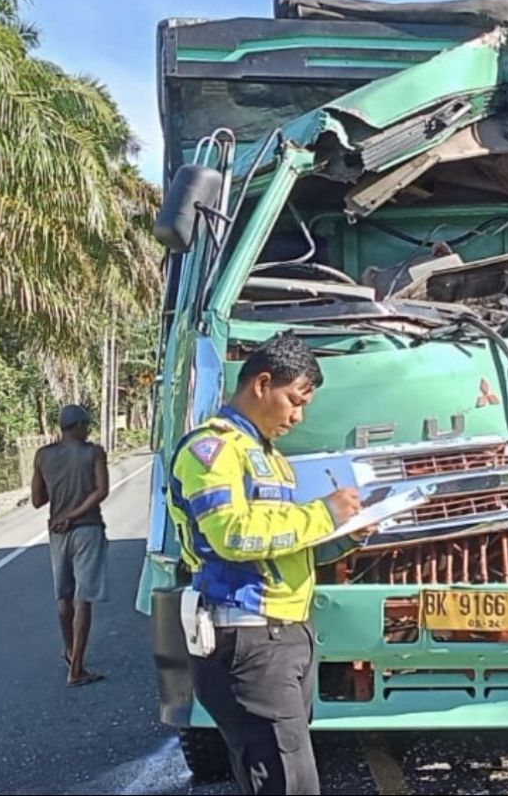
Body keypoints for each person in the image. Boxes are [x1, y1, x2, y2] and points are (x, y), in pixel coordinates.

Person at [165, 332, 371, 795]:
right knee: (288, 783)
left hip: (286, 634)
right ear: (261, 383)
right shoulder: (211, 451)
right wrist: (322, 513)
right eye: (294, 400)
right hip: (248, 637)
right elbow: (231, 534)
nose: (298, 417)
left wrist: (340, 538)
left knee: (283, 777)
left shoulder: (271, 459)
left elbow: (280, 546)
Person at [32, 404, 111, 687]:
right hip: (86, 528)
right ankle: (76, 668)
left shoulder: (43, 456)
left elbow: (37, 500)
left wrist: (61, 507)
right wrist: (74, 514)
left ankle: (69, 651)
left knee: (63, 597)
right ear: (78, 426)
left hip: (57, 532)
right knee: (83, 597)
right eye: (86, 425)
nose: (88, 430)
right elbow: (101, 491)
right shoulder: (93, 453)